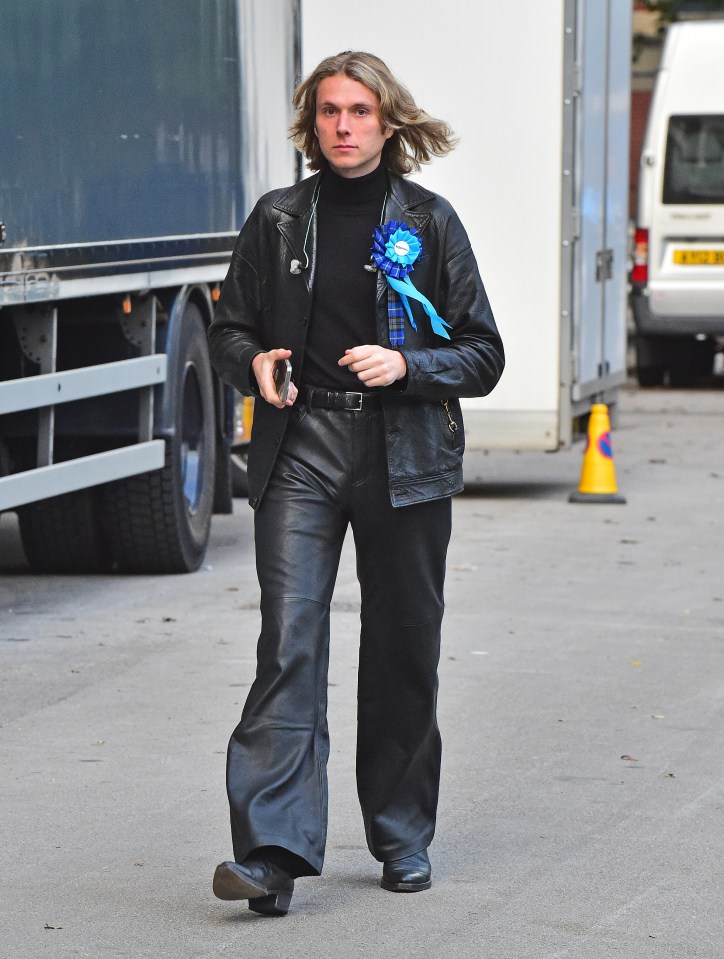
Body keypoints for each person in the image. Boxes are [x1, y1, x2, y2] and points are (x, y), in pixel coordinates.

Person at [208, 50, 504, 916]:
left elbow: (483, 355)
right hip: (301, 444)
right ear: (312, 122)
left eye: (360, 112)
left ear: (388, 122)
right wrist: (252, 360)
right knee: (288, 640)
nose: (343, 126)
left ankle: (402, 832)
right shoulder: (275, 219)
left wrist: (407, 364)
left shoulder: (430, 221)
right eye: (330, 111)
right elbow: (229, 331)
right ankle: (271, 851)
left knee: (402, 646)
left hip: (404, 453)